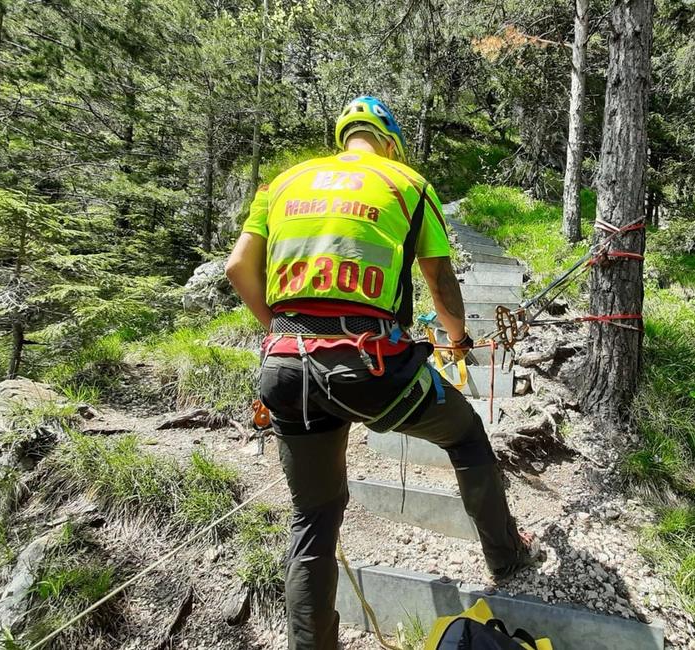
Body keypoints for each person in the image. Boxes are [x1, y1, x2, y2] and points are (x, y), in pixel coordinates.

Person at [225, 96, 534, 650]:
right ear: (389, 141)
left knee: (313, 519)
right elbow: (439, 279)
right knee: (465, 436)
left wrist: (280, 328)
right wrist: (458, 341)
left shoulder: (284, 181)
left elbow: (237, 267)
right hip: (369, 369)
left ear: (343, 136)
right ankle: (506, 554)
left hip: (285, 370)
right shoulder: (406, 182)